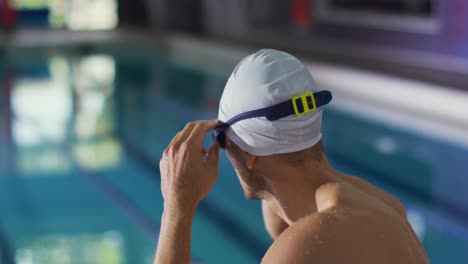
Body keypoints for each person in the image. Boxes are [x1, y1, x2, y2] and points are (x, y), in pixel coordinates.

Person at [154, 49, 429, 263]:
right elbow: (281, 218)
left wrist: (177, 210)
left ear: (250, 153)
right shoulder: (382, 205)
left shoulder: (308, 244)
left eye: (222, 140)